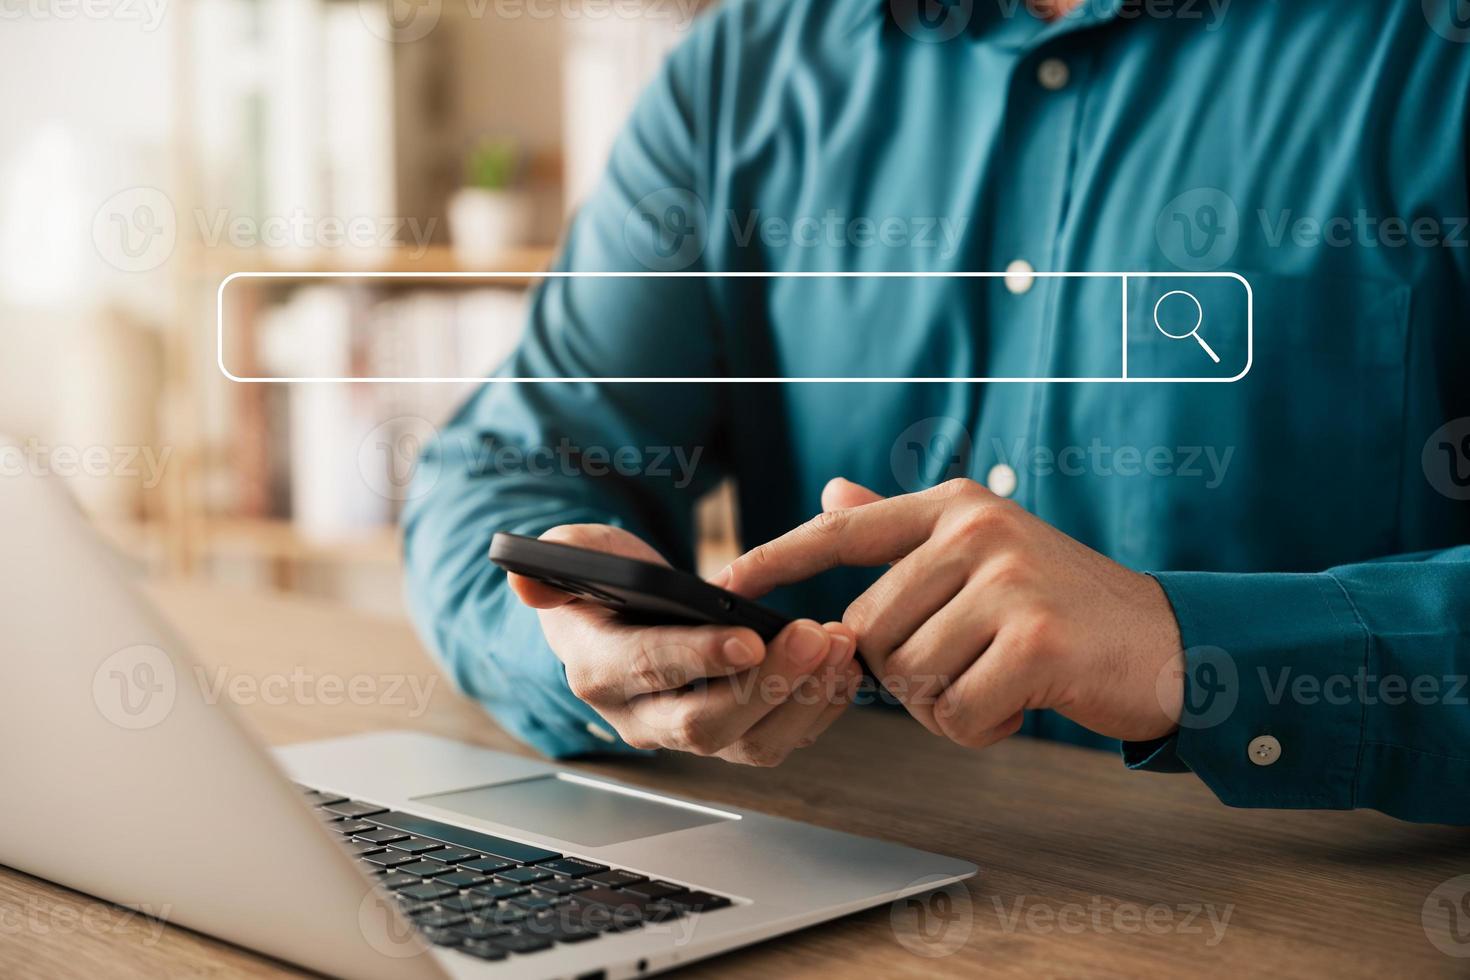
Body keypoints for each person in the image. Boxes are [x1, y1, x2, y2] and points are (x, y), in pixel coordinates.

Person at [403, 0, 1470, 824]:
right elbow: (507, 462)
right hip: (819, 897)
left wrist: (1189, 647)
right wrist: (574, 652)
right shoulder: (746, 69)